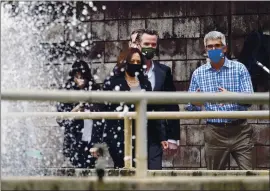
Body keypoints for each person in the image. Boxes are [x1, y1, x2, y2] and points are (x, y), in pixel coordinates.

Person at [185, 31, 254, 170]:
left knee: (249, 174)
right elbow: (190, 105)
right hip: (215, 132)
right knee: (214, 176)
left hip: (240, 130)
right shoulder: (199, 73)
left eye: (217, 45)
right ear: (205, 49)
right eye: (209, 46)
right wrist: (195, 103)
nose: (213, 49)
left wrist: (231, 96)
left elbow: (250, 99)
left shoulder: (239, 68)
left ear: (225, 48)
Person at [102, 47, 167, 169]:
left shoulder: (144, 82)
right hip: (119, 135)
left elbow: (153, 109)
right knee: (124, 170)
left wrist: (162, 136)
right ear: (125, 62)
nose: (135, 64)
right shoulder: (112, 82)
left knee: (142, 170)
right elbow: (103, 110)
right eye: (132, 61)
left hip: (142, 135)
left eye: (138, 62)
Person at [132, 29, 181, 165]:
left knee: (154, 174)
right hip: (130, 131)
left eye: (153, 45)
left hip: (155, 133)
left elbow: (172, 103)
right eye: (146, 44)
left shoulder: (163, 71)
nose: (150, 48)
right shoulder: (126, 69)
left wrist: (172, 137)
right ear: (138, 45)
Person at [56, 60, 104, 168]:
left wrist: (98, 144)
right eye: (77, 77)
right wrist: (76, 109)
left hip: (92, 140)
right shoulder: (67, 93)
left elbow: (102, 120)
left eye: (83, 77)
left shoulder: (95, 91)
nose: (80, 81)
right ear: (73, 77)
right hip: (74, 141)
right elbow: (60, 119)